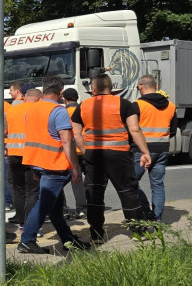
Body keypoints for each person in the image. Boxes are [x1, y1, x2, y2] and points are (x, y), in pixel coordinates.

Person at [71, 73, 152, 243]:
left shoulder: (83, 106)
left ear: (93, 89)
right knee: (127, 191)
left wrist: (85, 151)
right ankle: (138, 232)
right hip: (118, 154)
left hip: (93, 155)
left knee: (94, 193)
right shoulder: (125, 104)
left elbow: (76, 134)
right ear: (111, 88)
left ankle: (96, 235)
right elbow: (135, 130)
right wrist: (145, 152)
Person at [18, 76, 93, 253]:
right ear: (60, 93)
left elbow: (34, 137)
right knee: (44, 205)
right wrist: (75, 166)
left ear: (43, 89)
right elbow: (66, 141)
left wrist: (35, 167)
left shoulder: (31, 110)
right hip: (54, 166)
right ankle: (27, 241)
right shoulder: (58, 111)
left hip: (39, 164)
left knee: (55, 208)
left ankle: (68, 240)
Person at [133, 74, 177, 222]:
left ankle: (147, 212)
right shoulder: (171, 106)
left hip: (142, 151)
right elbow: (173, 131)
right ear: (156, 87)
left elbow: (132, 129)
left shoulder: (137, 105)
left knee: (130, 182)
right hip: (162, 148)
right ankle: (157, 219)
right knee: (157, 185)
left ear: (140, 87)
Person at [5, 89, 41, 227]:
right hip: (31, 155)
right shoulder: (37, 110)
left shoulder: (12, 110)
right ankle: (29, 223)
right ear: (39, 99)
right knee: (32, 191)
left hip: (13, 154)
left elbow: (5, 131)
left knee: (18, 189)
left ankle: (21, 221)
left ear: (25, 98)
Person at [60, 88, 87, 219]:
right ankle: (84, 208)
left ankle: (65, 209)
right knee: (89, 179)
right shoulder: (83, 110)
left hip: (72, 150)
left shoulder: (64, 112)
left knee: (75, 180)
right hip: (85, 148)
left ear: (64, 99)